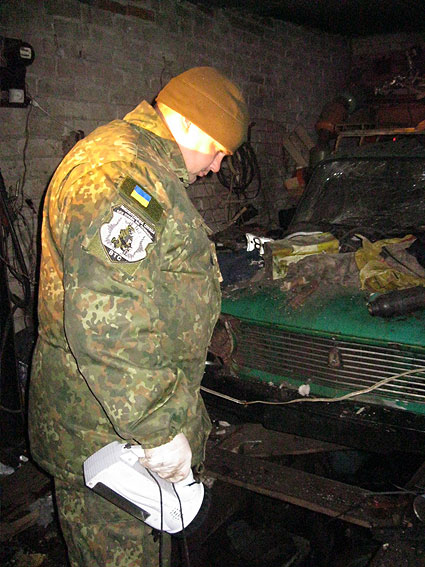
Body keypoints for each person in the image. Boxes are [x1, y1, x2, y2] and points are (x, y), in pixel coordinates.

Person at [28, 66, 248, 567]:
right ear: (187, 124)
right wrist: (159, 429)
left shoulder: (145, 167)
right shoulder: (117, 173)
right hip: (107, 434)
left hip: (121, 425)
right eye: (217, 150)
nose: (218, 166)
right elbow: (108, 322)